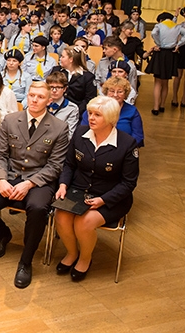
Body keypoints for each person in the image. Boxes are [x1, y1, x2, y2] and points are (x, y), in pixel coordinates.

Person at [0, 82, 70, 288]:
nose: (34, 100)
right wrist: (1, 180)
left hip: (39, 180)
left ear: (49, 101)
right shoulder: (10, 120)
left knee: (38, 209)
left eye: (40, 97)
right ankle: (2, 235)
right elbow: (0, 155)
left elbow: (55, 166)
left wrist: (29, 184)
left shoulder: (59, 127)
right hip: (9, 175)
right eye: (31, 95)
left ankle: (26, 260)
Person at [54, 96, 139, 282]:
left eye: (97, 115)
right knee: (61, 216)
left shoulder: (127, 144)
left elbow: (129, 183)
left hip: (110, 196)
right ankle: (72, 253)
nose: (91, 118)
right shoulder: (80, 133)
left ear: (110, 118)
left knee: (84, 222)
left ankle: (85, 259)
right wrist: (63, 185)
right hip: (79, 190)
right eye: (90, 113)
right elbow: (69, 164)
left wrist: (103, 200)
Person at [145, 11, 185, 115]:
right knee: (165, 82)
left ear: (161, 20)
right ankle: (162, 105)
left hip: (160, 52)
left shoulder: (159, 25)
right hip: (171, 54)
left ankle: (156, 107)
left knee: (157, 82)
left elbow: (153, 33)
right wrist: (179, 44)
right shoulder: (177, 26)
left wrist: (158, 43)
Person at [81, 77, 144, 147]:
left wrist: (123, 149)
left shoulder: (132, 111)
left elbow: (138, 136)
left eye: (120, 92)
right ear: (106, 92)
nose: (115, 95)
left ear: (125, 94)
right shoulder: (94, 108)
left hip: (124, 148)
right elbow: (83, 130)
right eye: (112, 91)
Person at [50, 45, 97, 115]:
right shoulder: (56, 71)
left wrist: (76, 111)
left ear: (71, 59)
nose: (60, 59)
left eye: (63, 57)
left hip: (77, 112)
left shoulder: (87, 77)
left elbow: (89, 99)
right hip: (54, 109)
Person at [45, 71, 80, 139]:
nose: (54, 90)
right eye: (51, 87)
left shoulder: (72, 108)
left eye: (58, 87)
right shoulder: (41, 104)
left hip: (59, 142)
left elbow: (69, 134)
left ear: (64, 89)